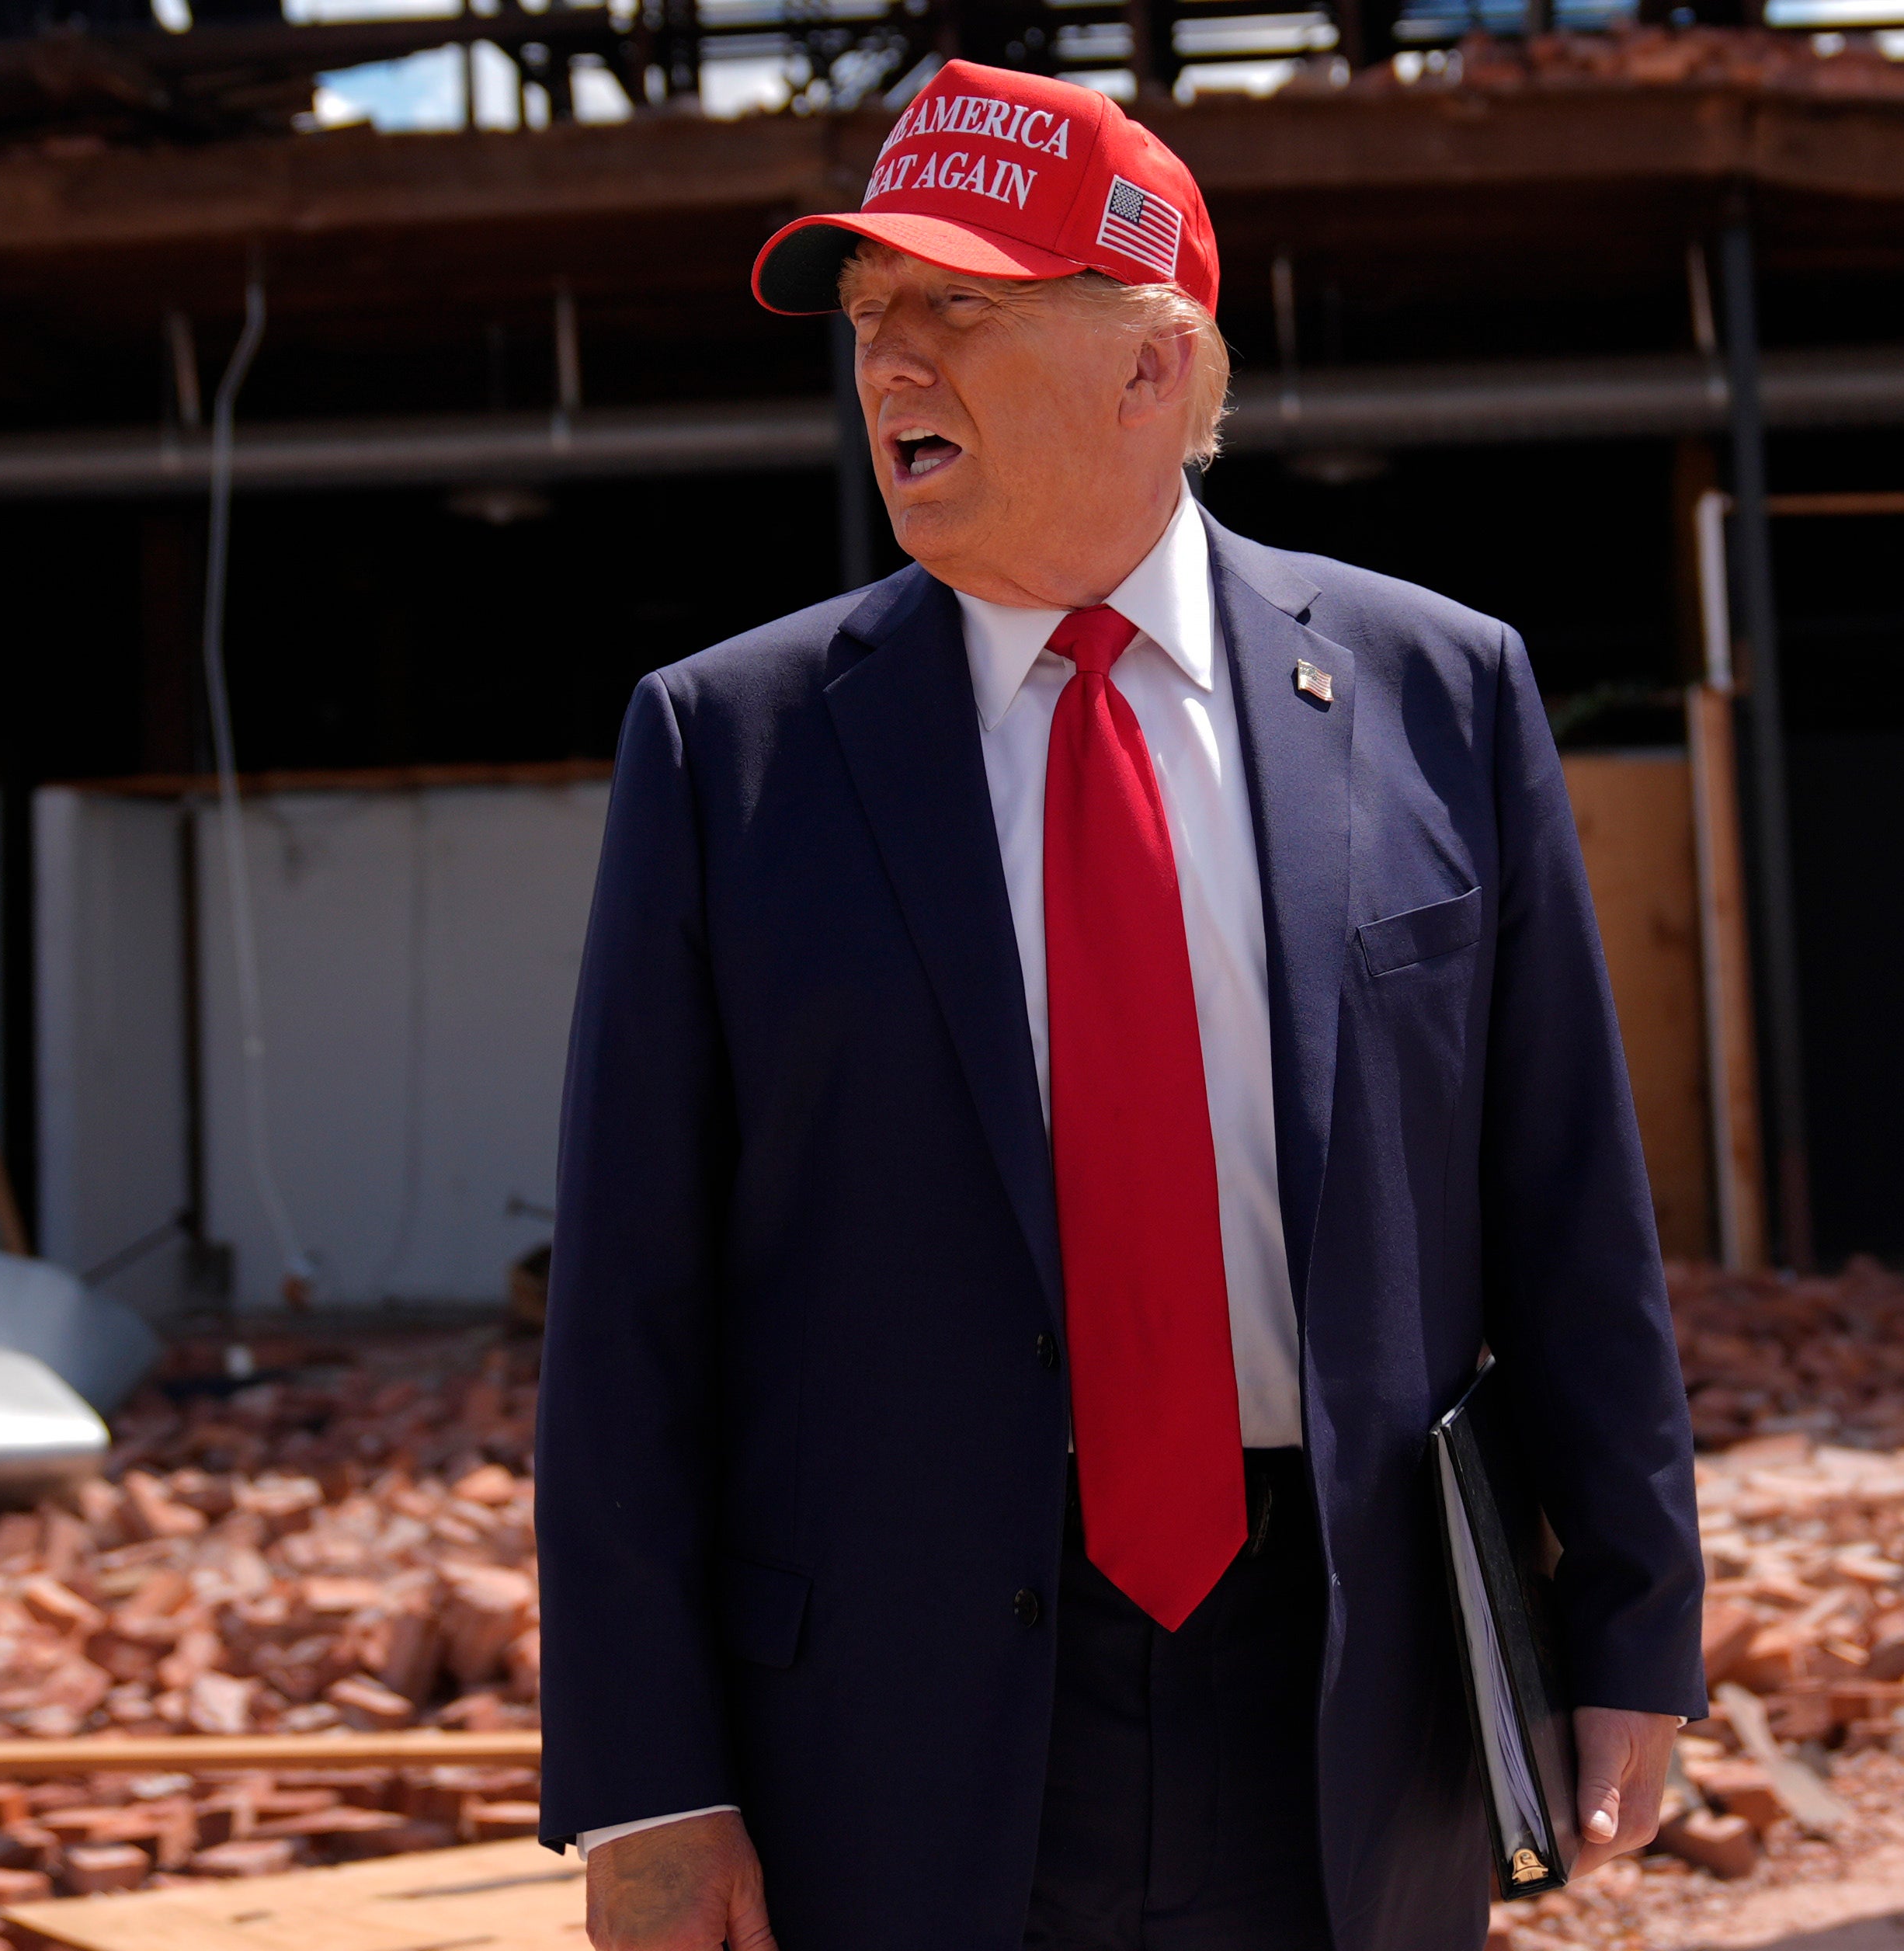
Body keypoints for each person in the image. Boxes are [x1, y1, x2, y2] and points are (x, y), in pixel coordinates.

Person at [533, 59, 1706, 1951]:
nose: (889, 366)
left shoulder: (1439, 692)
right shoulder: (725, 747)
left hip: (1346, 1686)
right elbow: (629, 1309)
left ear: (1155, 364)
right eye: (865, 321)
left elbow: (1565, 1205)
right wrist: (648, 1781)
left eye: (955, 309)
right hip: (892, 1727)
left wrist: (1633, 1623)